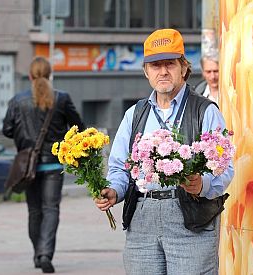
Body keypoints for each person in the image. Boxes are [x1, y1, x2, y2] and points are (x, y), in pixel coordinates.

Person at [94, 29, 234, 275]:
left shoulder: (205, 111)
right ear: (146, 71)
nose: (163, 71)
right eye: (155, 65)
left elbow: (225, 167)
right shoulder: (134, 114)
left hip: (192, 220)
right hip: (142, 220)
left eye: (170, 63)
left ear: (183, 67)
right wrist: (113, 190)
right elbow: (119, 167)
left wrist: (202, 184)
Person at [2, 56, 84, 273]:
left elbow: (7, 130)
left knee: (34, 211)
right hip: (54, 165)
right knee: (51, 209)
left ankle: (38, 252)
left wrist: (24, 139)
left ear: (29, 76)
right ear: (50, 75)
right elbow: (79, 127)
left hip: (27, 166)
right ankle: (45, 253)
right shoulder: (62, 98)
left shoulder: (18, 100)